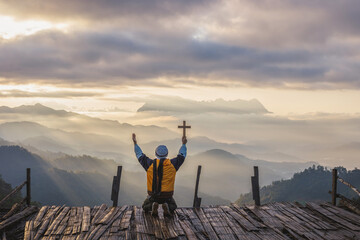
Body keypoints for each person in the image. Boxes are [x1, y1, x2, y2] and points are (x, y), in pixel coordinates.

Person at [132, 133, 187, 217]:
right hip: (167, 195)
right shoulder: (173, 164)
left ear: (156, 153)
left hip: (153, 194)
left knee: (145, 207)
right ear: (167, 154)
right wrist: (183, 144)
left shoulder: (150, 164)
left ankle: (153, 205)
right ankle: (167, 206)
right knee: (173, 207)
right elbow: (182, 155)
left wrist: (135, 143)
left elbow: (139, 155)